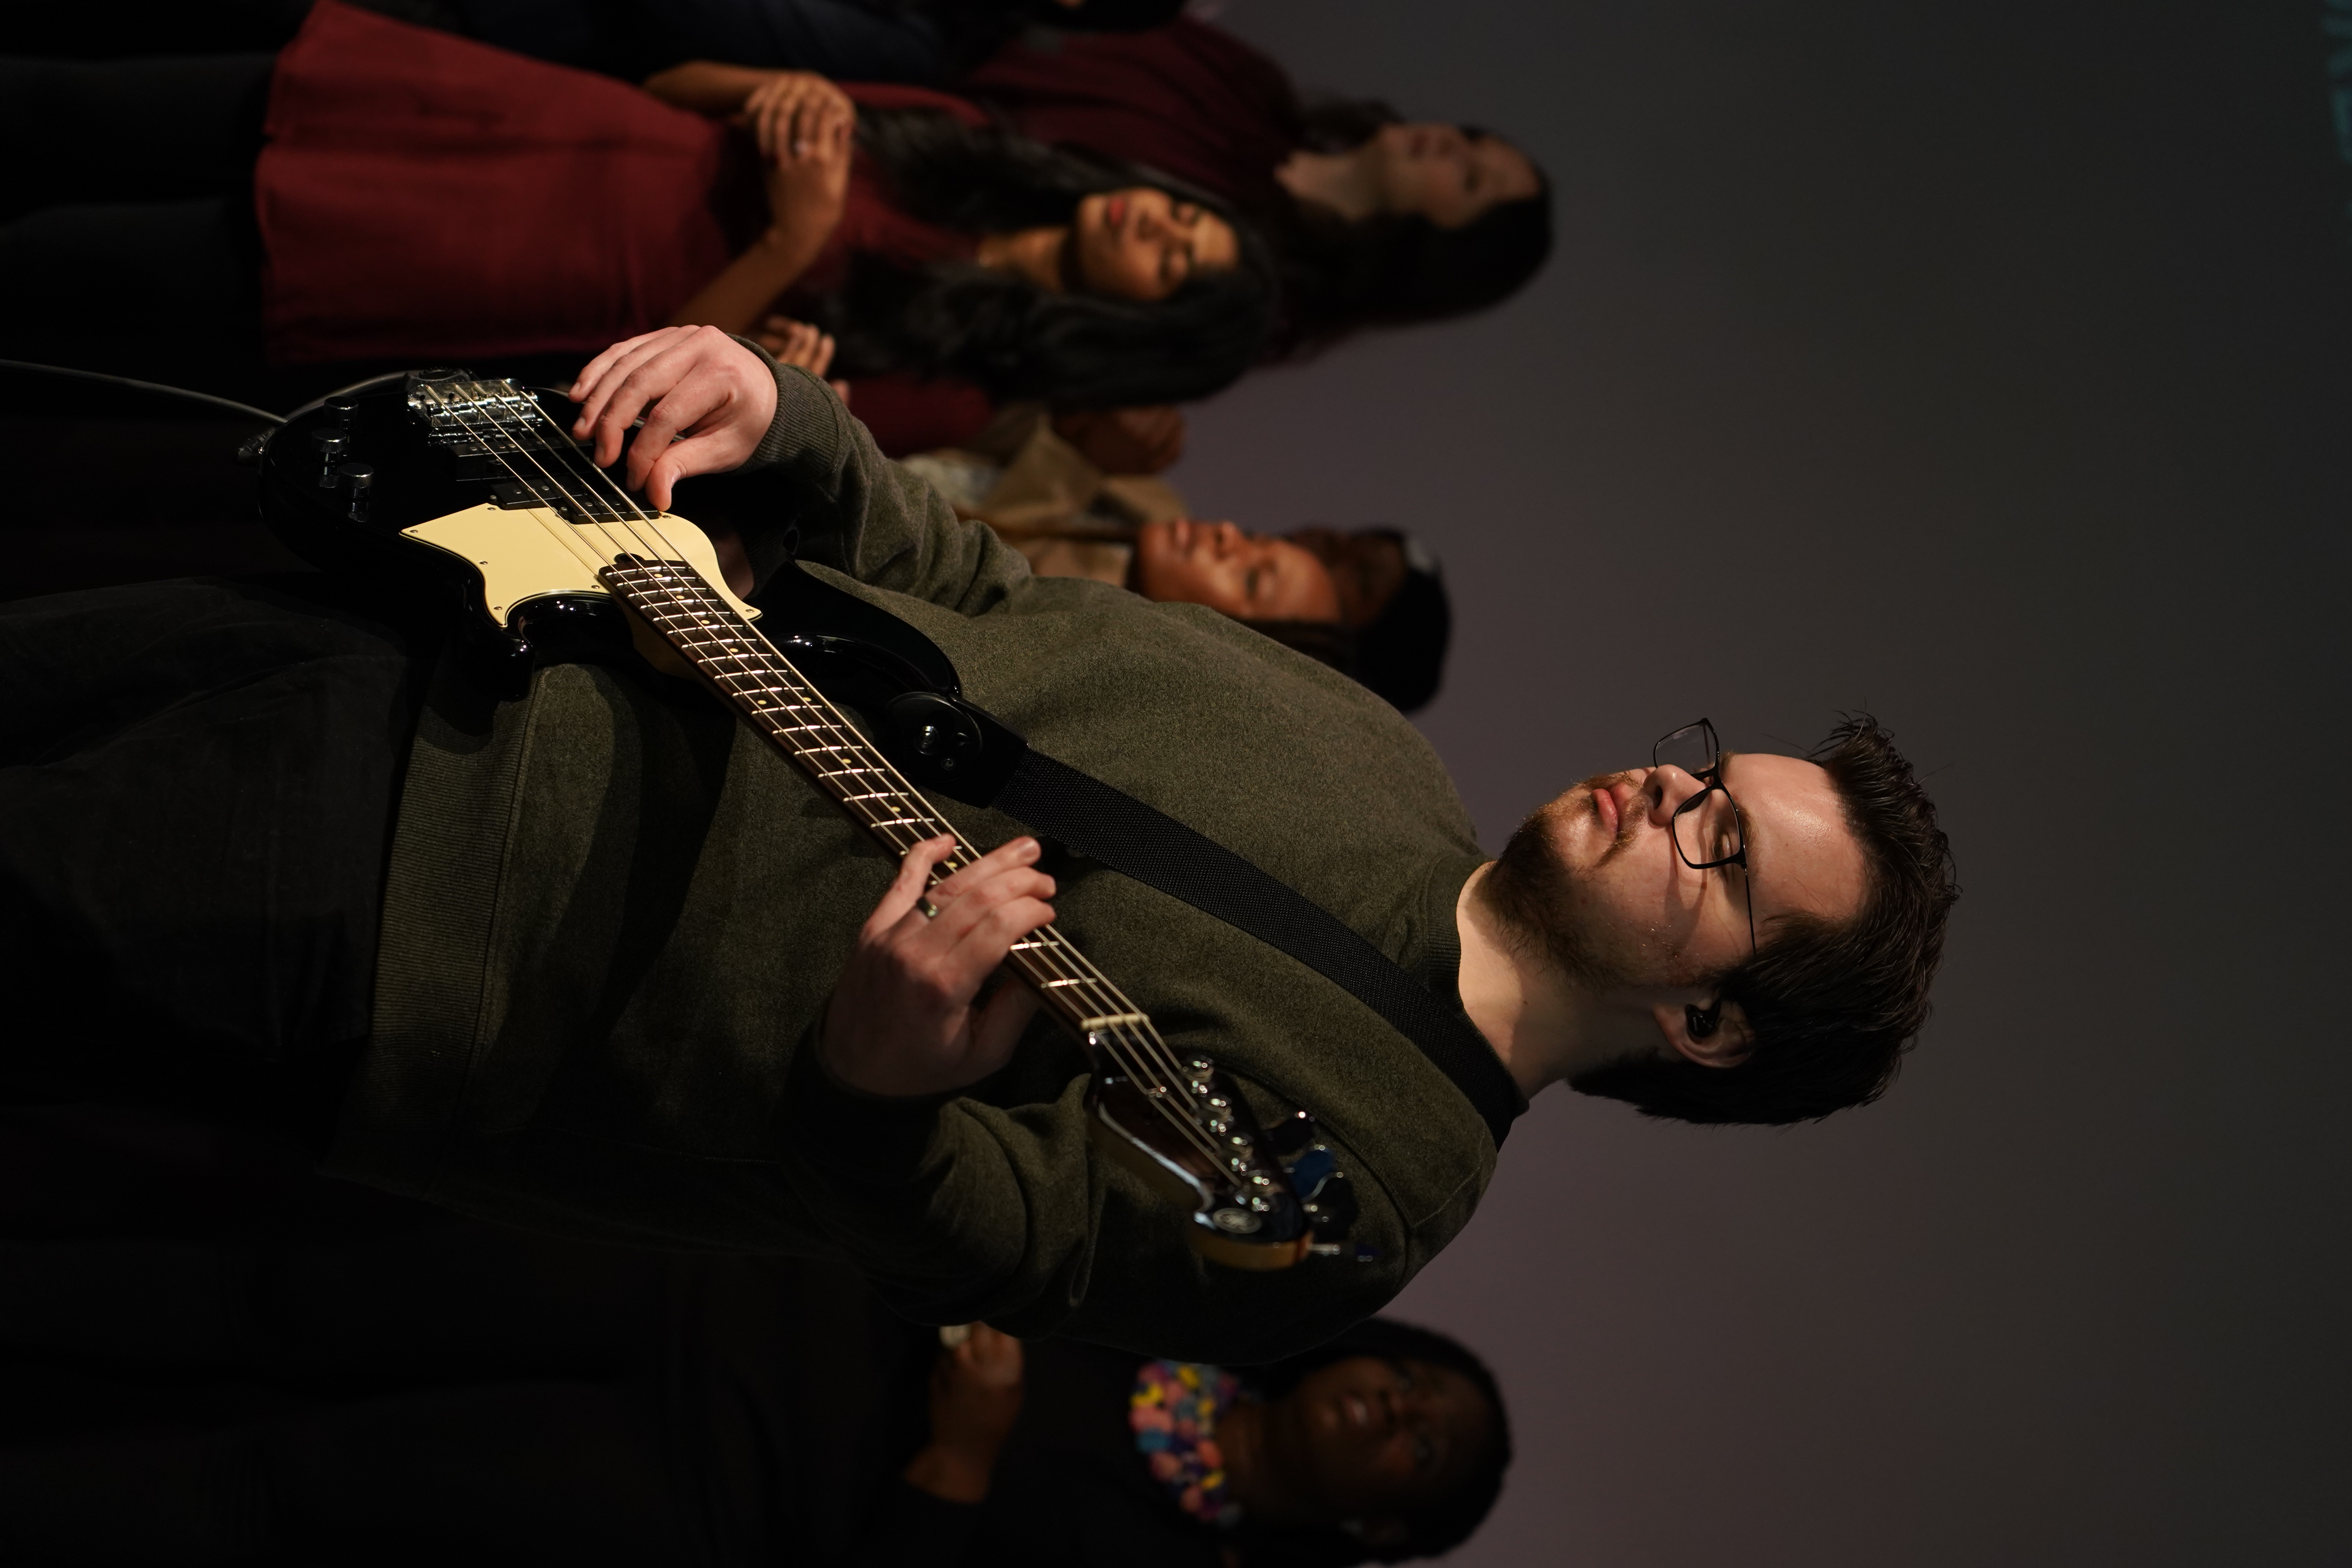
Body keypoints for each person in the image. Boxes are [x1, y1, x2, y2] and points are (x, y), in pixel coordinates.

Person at [0, 327, 1960, 1362]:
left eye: (1719, 848)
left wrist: (878, 1082)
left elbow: (975, 1224)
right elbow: (972, 580)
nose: (1666, 791)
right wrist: (781, 409)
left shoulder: (1356, 1200)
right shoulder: (1375, 747)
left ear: (1708, 1025)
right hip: (481, 636)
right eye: (1708, 768)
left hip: (431, 934)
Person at [0, 1107, 1510, 1566]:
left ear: (1387, 1518)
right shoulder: (1186, 1318)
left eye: (1419, 1443)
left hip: (680, 1484)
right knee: (272, 1295)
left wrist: (964, 1463)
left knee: (294, 1491)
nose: (1390, 1405)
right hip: (681, 1292)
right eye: (1408, 1379)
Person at [0, 1, 1275, 453]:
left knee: (79, 262)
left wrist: (792, 239)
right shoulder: (965, 137)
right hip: (516, 120)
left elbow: (633, 396)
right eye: (1179, 212)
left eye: (1173, 258)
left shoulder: (955, 391)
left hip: (512, 269)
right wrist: (767, 92)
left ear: (1136, 327)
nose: (1154, 220)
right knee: (69, 105)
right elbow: (674, 91)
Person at [959, 17, 1553, 350]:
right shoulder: (1254, 84)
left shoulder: (1249, 284)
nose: (1452, 146)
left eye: (1471, 179)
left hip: (937, 181)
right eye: (1472, 138)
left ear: (1445, 253)